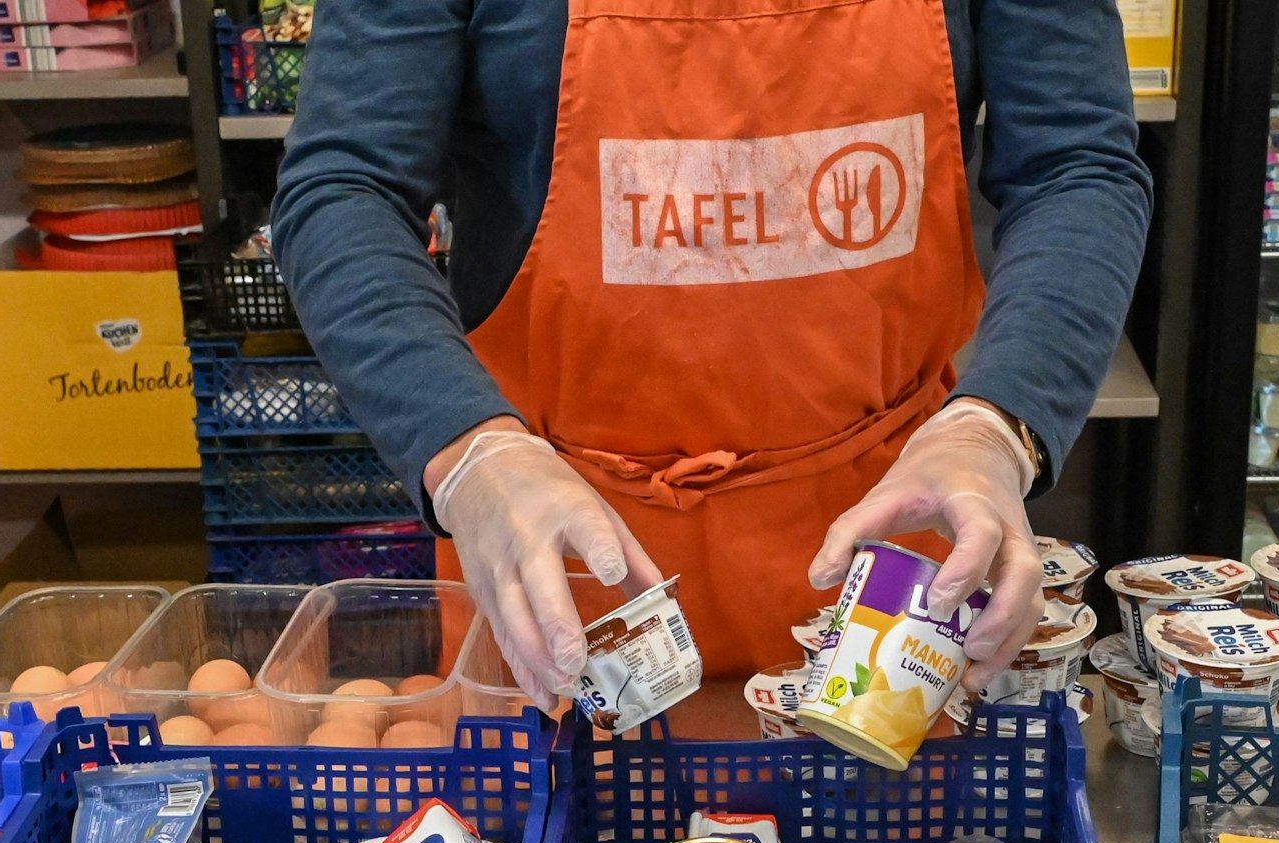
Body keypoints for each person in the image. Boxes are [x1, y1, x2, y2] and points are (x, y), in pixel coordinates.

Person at [274, 0, 1152, 707]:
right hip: (562, 541)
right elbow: (346, 185)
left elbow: (1075, 162)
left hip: (889, 547)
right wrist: (469, 450)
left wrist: (998, 425)